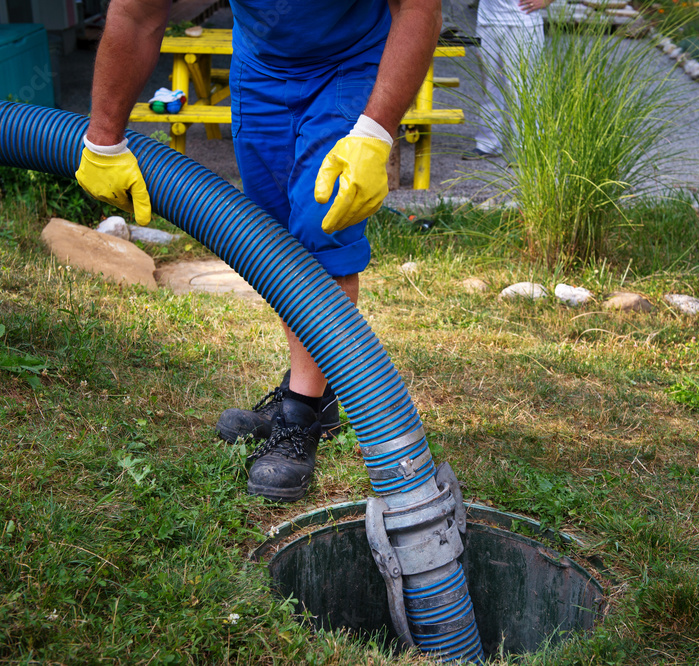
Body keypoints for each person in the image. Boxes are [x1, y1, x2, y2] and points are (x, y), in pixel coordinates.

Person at [75, 0, 442, 502]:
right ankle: (314, 392)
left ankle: (299, 417)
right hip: (261, 64)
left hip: (351, 60)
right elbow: (137, 15)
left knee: (321, 225)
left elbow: (419, 7)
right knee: (275, 240)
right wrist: (103, 139)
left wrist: (375, 134)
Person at [463, 0, 550, 160]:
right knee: (489, 85)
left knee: (523, 88)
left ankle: (527, 147)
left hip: (524, 21)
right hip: (487, 20)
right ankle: (488, 143)